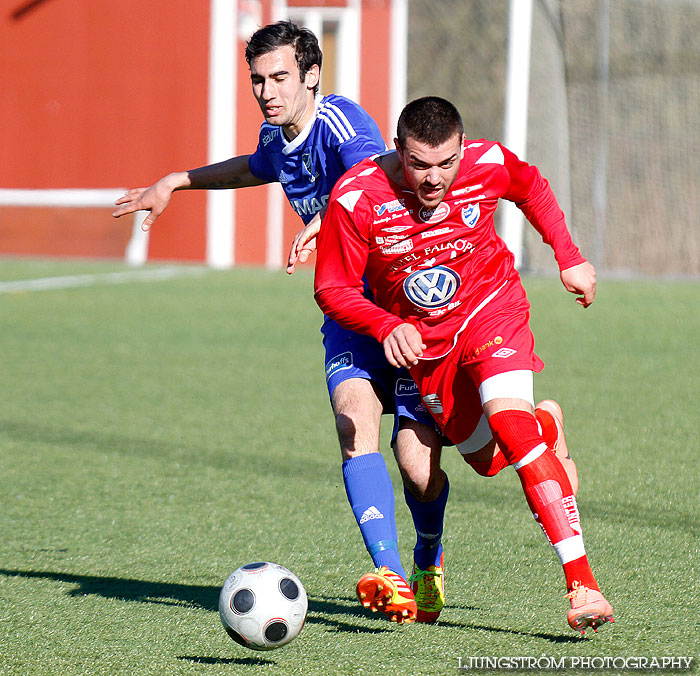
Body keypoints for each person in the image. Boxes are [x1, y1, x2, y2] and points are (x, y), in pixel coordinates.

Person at [112, 21, 448, 624]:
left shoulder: (341, 122)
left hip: (405, 308)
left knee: (419, 468)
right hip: (350, 311)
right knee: (354, 425)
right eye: (258, 80)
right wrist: (176, 182)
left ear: (312, 76)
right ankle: (392, 575)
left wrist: (325, 223)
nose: (267, 91)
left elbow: (370, 179)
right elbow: (252, 167)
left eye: (280, 77)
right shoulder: (279, 134)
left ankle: (428, 557)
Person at [314, 96, 614, 634]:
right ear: (399, 150)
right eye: (421, 164)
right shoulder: (357, 196)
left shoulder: (488, 161)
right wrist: (385, 325)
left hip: (490, 309)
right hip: (422, 347)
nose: (434, 179)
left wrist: (568, 255)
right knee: (438, 467)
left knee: (511, 424)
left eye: (446, 163)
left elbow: (533, 189)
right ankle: (430, 551)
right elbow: (331, 288)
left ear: (461, 147)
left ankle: (582, 583)